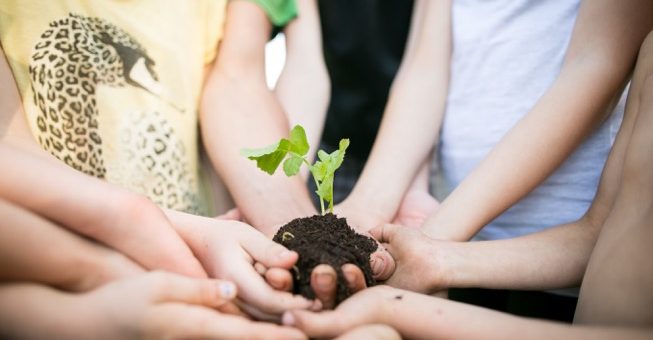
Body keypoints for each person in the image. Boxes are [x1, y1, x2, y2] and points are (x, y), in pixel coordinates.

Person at [282, 32, 653, 337]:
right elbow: (597, 230)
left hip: (541, 244)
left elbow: (597, 61)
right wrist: (428, 246)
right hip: (473, 246)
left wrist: (405, 293)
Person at [0, 0, 326, 321]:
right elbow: (13, 153)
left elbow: (238, 83)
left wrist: (291, 229)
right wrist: (190, 241)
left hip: (205, 249)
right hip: (57, 279)